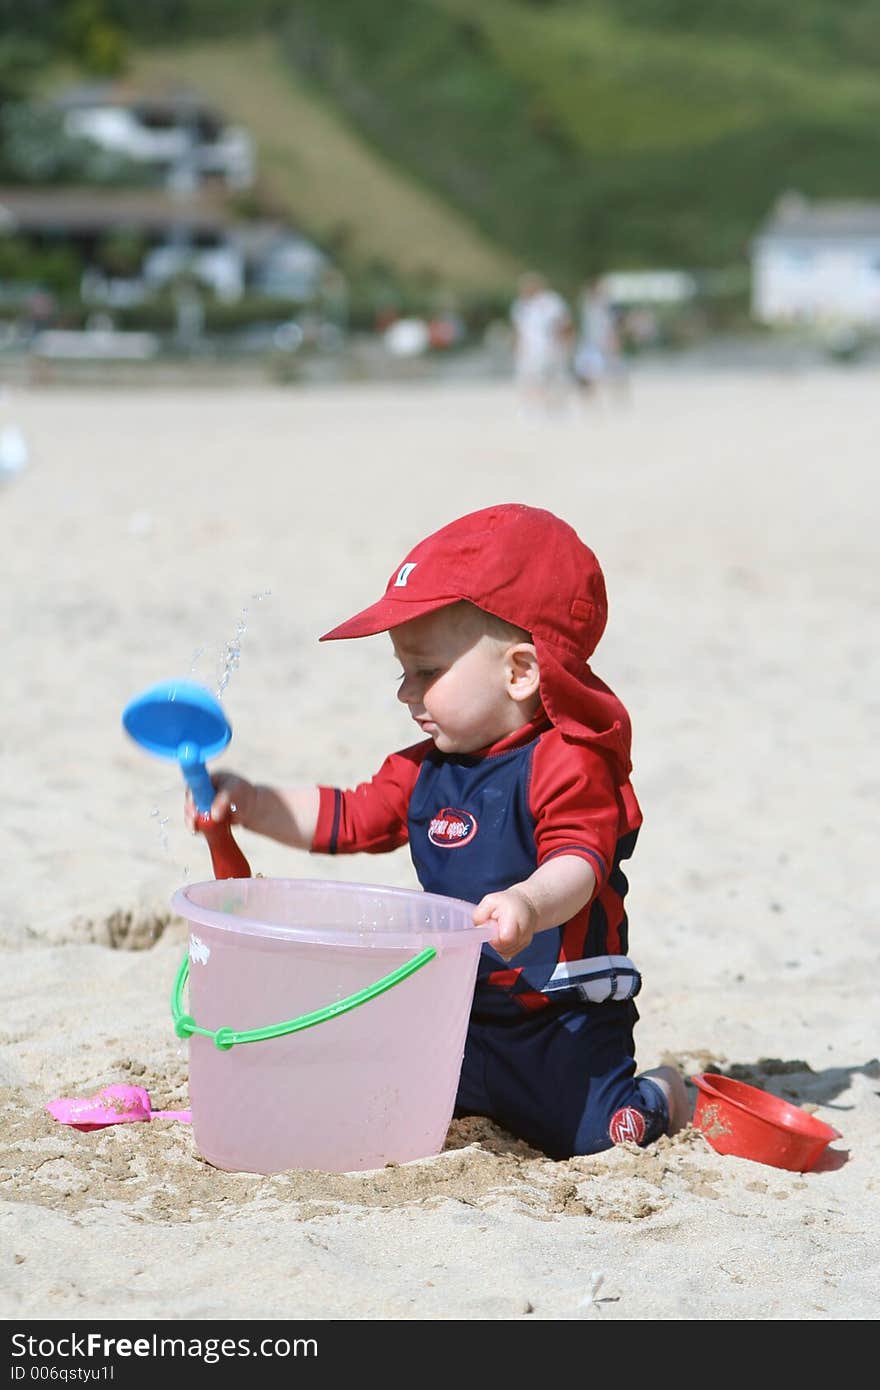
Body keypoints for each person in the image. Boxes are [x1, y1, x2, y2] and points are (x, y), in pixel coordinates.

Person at [186, 504, 688, 1159]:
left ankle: (667, 1091)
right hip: (454, 1010)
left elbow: (579, 862)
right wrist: (251, 803)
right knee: (378, 1109)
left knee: (596, 1137)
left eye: (426, 671)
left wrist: (528, 903)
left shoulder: (569, 760)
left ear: (519, 673)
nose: (405, 692)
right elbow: (347, 818)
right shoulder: (425, 771)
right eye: (403, 671)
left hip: (558, 1020)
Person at [509, 271, 574, 414]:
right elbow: (517, 329)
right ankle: (533, 408)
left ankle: (557, 408)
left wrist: (565, 344)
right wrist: (516, 348)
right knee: (529, 379)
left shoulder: (551, 301)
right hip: (529, 350)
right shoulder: (520, 305)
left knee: (555, 379)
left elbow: (563, 324)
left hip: (551, 347)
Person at [572, 276, 627, 402]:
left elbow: (618, 321)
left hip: (606, 340)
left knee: (614, 369)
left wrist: (614, 338)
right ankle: (590, 396)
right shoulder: (586, 302)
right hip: (590, 341)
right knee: (587, 370)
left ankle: (618, 395)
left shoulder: (608, 303)